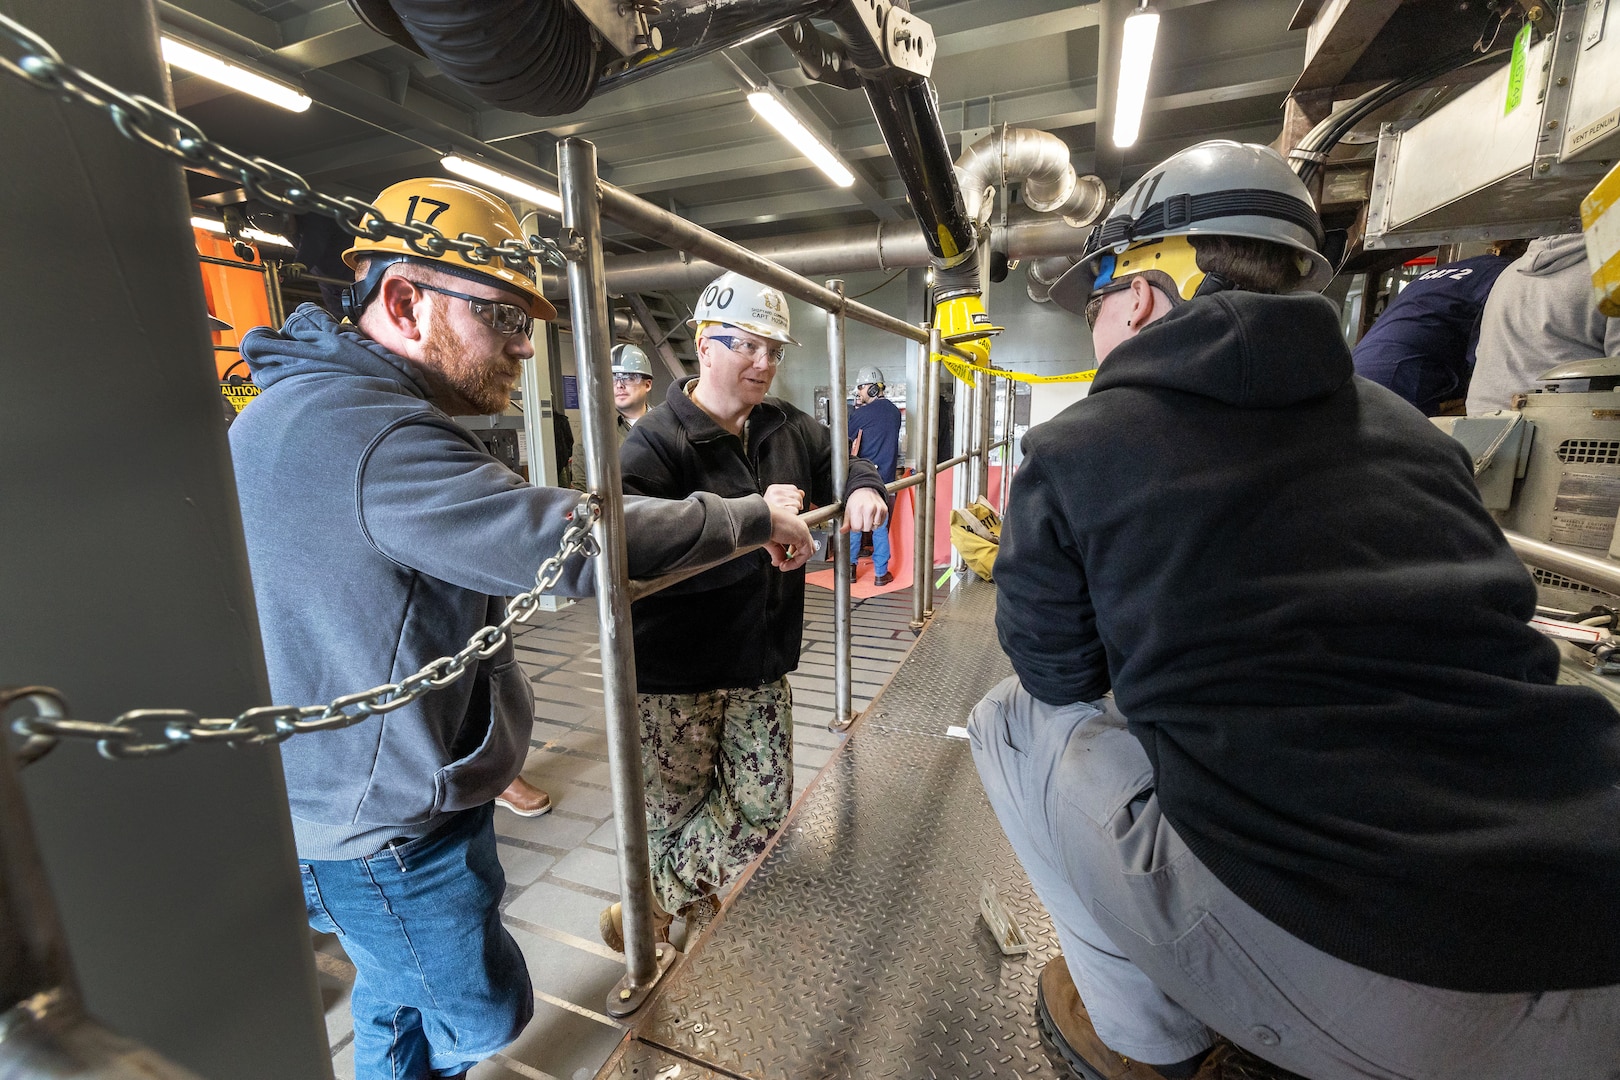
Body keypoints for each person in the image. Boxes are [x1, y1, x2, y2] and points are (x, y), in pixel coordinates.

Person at [970, 140, 1620, 1080]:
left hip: (1404, 994)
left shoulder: (1079, 447)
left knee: (1013, 720)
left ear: (1144, 294)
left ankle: (1140, 1042)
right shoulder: (1414, 434)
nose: (1095, 330)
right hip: (1595, 929)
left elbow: (1059, 672)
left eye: (1097, 299)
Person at [228, 179, 811, 1080]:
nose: (520, 345)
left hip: (349, 794)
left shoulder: (312, 411)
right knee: (485, 1014)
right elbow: (574, 544)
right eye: (501, 315)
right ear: (403, 301)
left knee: (395, 989)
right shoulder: (375, 436)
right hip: (383, 823)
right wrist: (752, 518)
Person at [608, 271, 890, 946]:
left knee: (763, 811)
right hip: (678, 669)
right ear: (705, 345)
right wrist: (754, 530)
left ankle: (649, 903)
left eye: (775, 351)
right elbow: (629, 546)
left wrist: (861, 486)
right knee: (675, 811)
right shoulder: (656, 442)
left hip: (762, 655)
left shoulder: (789, 429)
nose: (764, 363)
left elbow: (844, 463)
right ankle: (673, 923)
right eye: (748, 346)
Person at [1350, 241, 1523, 415]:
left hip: (1357, 374)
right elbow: (1488, 359)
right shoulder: (1509, 276)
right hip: (1405, 378)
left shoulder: (1447, 270)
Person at [1466, 232, 1620, 413]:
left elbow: (1480, 352)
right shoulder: (1611, 273)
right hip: (1566, 430)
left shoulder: (1511, 272)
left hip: (1481, 424)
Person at [847, 365, 902, 585]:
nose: (859, 393)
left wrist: (856, 410)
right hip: (886, 477)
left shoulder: (861, 414)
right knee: (880, 523)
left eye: (861, 388)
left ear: (871, 388)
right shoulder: (894, 412)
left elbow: (847, 437)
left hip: (863, 477)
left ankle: (850, 569)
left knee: (854, 521)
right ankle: (880, 573)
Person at [612, 342, 655, 437]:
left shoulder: (667, 422)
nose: (619, 385)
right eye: (613, 379)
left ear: (647, 385)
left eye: (628, 378)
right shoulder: (597, 428)